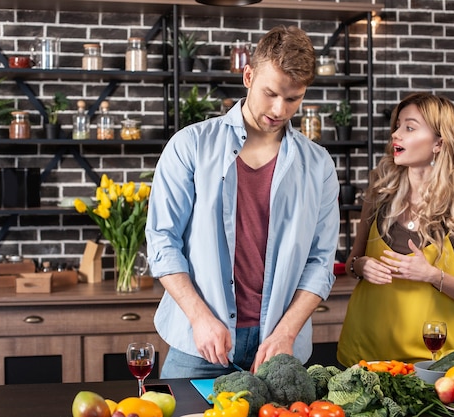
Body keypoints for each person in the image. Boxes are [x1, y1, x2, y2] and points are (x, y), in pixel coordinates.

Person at [146, 25, 340, 378]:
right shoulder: (190, 146)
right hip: (200, 342)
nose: (280, 109)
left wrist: (286, 332)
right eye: (270, 93)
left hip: (280, 348)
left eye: (293, 98)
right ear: (248, 76)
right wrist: (199, 317)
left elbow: (321, 261)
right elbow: (162, 242)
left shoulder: (319, 164)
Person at [336, 92, 454, 366]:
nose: (396, 134)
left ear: (439, 143)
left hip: (430, 363)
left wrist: (431, 275)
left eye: (409, 127)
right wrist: (362, 266)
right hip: (363, 355)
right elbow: (351, 263)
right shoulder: (377, 194)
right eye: (397, 126)